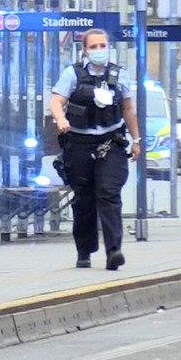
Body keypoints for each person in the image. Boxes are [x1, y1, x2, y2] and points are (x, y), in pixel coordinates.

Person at [48, 28, 139, 271]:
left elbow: (129, 109)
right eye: (94, 46)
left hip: (111, 142)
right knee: (84, 199)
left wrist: (137, 139)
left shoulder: (120, 75)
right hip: (79, 143)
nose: (100, 50)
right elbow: (56, 100)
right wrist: (61, 119)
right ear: (85, 50)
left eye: (103, 45)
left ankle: (114, 251)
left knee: (108, 193)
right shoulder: (73, 74)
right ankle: (84, 250)